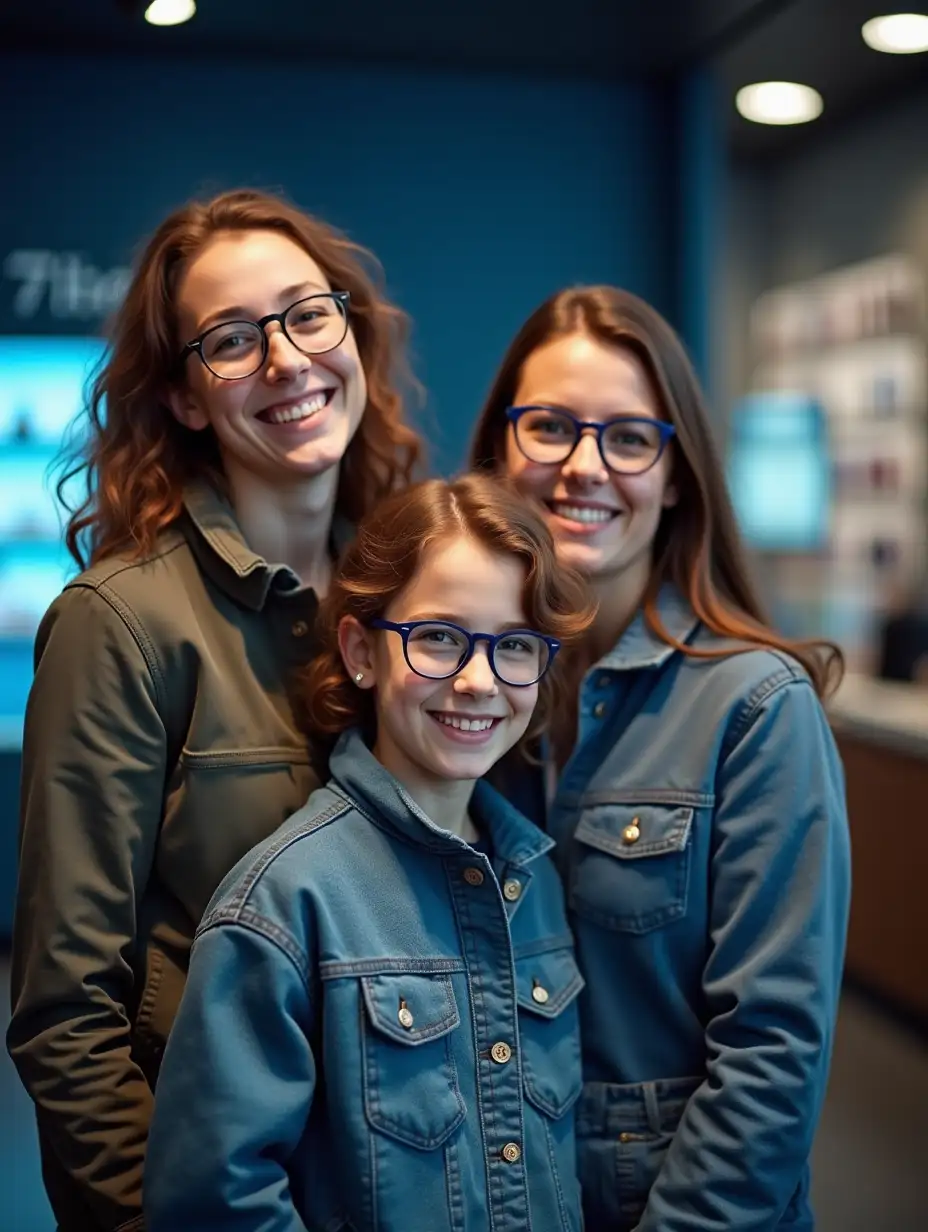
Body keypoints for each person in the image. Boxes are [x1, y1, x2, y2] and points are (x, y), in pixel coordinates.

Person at [7, 188, 422, 1232]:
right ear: (187, 398)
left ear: (352, 333)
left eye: (307, 314)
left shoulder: (420, 599)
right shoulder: (123, 622)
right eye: (231, 339)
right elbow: (66, 1013)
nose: (286, 360)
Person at [469, 286, 852, 1232]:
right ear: (498, 455)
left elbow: (770, 1061)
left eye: (629, 438)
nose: (583, 468)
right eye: (549, 427)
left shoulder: (757, 707)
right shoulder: (458, 697)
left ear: (676, 472)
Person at [144, 475, 593, 1232]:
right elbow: (215, 1203)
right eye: (440, 638)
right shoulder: (284, 902)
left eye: (514, 645)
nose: (479, 681)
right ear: (361, 651)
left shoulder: (536, 877)